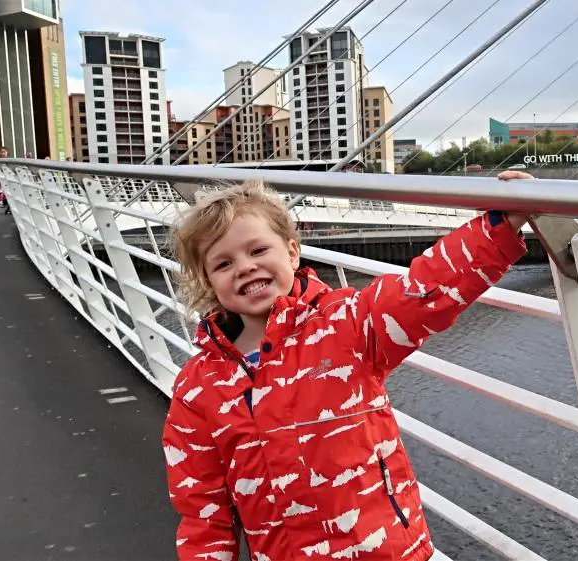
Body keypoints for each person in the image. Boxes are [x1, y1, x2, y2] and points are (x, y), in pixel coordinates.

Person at [163, 171, 533, 561]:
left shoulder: (346, 324)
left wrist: (499, 226)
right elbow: (203, 510)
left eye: (257, 251)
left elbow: (423, 292)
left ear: (291, 252)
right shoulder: (199, 386)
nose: (244, 267)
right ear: (208, 281)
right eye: (223, 264)